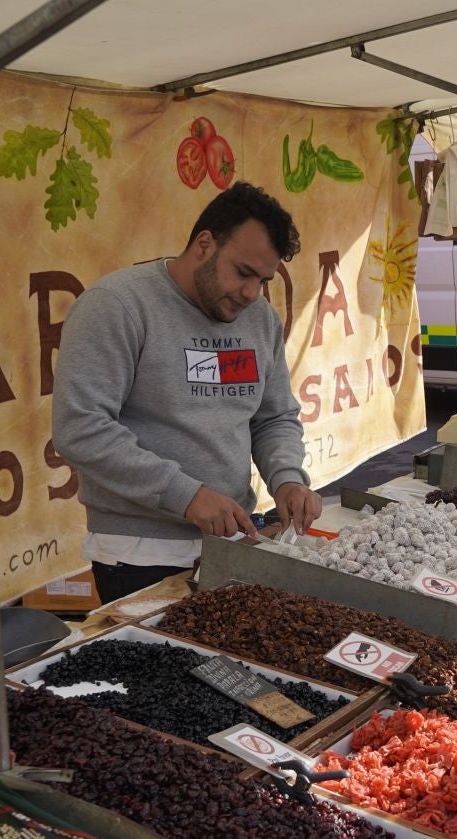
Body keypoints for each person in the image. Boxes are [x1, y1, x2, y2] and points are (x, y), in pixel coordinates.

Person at [53, 181, 321, 602]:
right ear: (204, 244)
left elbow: (273, 418)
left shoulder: (260, 319)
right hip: (140, 555)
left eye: (264, 280)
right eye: (243, 273)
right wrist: (186, 495)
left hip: (233, 542)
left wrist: (287, 479)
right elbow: (81, 428)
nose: (251, 293)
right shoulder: (117, 305)